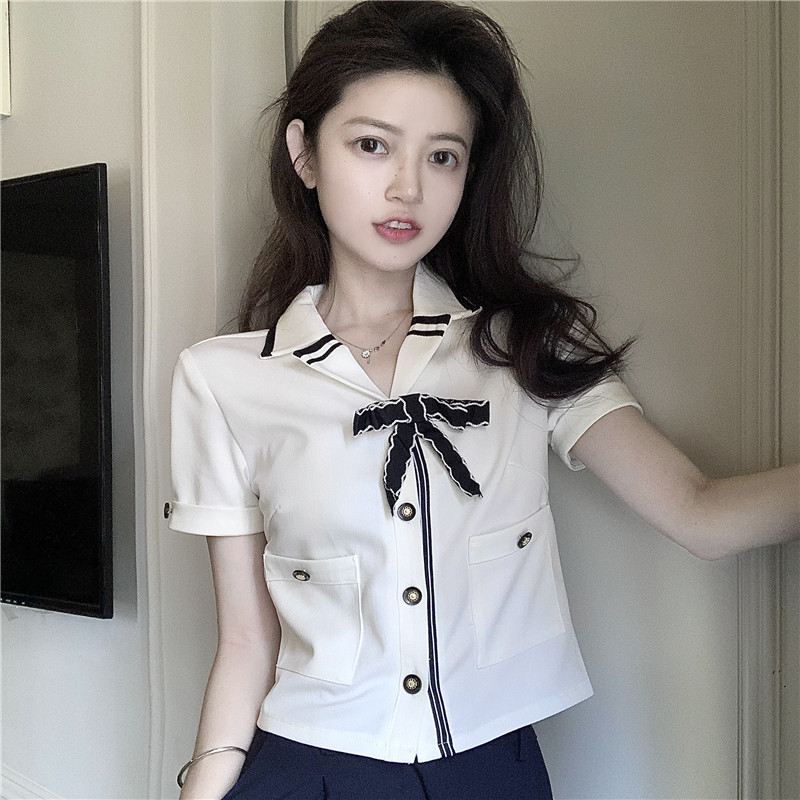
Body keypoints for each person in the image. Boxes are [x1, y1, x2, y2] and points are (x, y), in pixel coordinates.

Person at [167, 2, 800, 798]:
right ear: (305, 153)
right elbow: (246, 643)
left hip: (491, 771)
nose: (407, 187)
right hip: (307, 769)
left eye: (443, 156)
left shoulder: (524, 345)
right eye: (372, 145)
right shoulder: (222, 380)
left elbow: (699, 512)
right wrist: (202, 786)